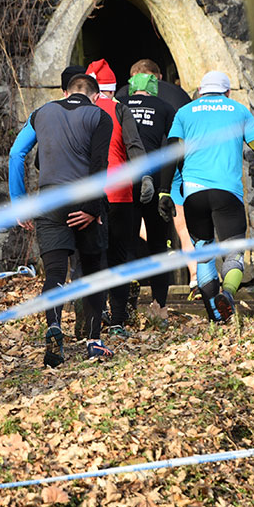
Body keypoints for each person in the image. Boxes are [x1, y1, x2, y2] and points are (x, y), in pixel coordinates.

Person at [9, 74, 114, 366]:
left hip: (49, 199)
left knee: (55, 272)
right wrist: (93, 208)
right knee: (93, 270)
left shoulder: (41, 113)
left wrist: (20, 203)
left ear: (66, 93)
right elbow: (99, 163)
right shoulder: (100, 116)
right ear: (96, 97)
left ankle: (54, 326)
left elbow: (16, 154)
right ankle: (94, 341)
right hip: (84, 198)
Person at [161, 71, 254, 323]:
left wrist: (164, 191)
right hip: (227, 193)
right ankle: (228, 294)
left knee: (204, 254)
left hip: (194, 194)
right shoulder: (239, 110)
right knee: (234, 253)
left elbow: (171, 151)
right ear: (228, 92)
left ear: (200, 91)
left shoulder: (185, 112)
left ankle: (217, 317)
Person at [85, 59, 152, 337]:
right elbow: (134, 145)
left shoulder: (80, 111)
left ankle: (95, 313)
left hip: (89, 195)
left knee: (93, 256)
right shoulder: (120, 110)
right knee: (119, 257)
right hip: (120, 194)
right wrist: (145, 177)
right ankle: (118, 321)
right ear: (112, 89)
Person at [117, 59, 197, 289]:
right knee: (183, 226)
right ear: (158, 77)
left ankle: (131, 278)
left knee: (129, 227)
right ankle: (194, 277)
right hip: (170, 168)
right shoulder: (177, 95)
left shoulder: (121, 98)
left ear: (132, 79)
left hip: (131, 171)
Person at [121, 71, 177, 324]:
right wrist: (167, 186)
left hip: (125, 180)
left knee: (125, 243)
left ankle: (124, 305)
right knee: (158, 244)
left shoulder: (119, 105)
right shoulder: (164, 107)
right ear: (154, 88)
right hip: (154, 179)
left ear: (131, 88)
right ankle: (159, 306)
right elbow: (174, 145)